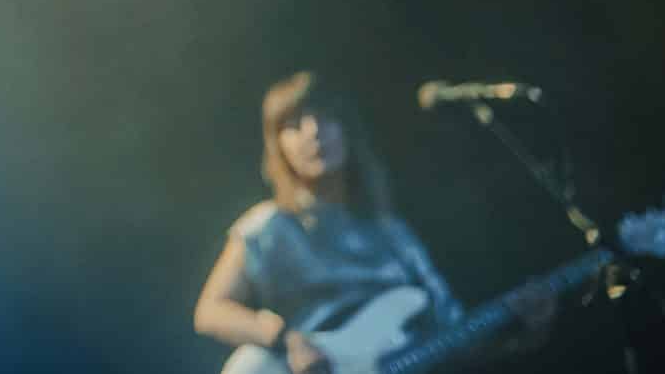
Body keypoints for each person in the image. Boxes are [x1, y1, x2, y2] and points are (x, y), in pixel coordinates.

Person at [194, 70, 554, 372]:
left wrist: (523, 330)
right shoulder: (269, 226)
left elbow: (456, 338)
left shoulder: (394, 235)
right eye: (294, 124)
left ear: (347, 130)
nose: (313, 131)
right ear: (278, 147)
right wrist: (286, 339)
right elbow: (211, 311)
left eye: (325, 118)